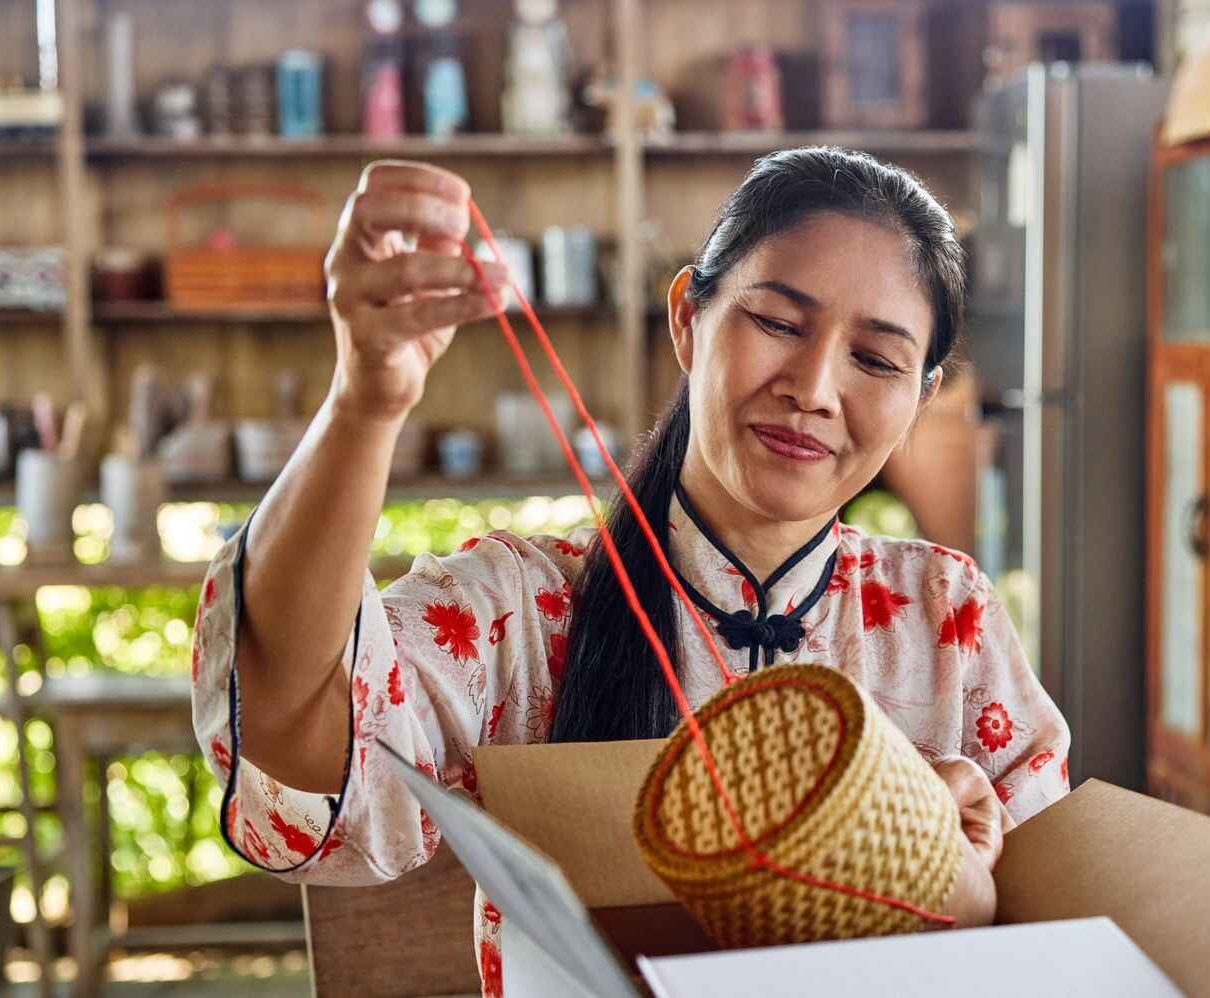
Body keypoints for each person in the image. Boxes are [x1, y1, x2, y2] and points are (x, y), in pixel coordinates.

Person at [188, 147, 1070, 996]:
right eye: (776, 322)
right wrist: (365, 399)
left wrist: (955, 848)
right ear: (688, 317)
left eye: (875, 359)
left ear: (921, 397)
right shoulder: (519, 612)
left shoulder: (944, 618)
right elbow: (295, 736)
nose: (813, 388)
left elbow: (1052, 941)